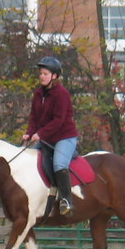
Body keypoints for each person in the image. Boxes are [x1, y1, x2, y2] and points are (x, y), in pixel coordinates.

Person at [22, 56, 78, 216]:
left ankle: (67, 200)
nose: (41, 76)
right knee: (27, 156)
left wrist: (40, 134)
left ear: (54, 76)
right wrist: (29, 133)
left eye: (45, 73)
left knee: (59, 164)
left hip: (64, 137)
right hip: (45, 138)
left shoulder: (62, 94)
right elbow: (34, 117)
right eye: (40, 73)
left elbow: (58, 120)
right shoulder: (38, 93)